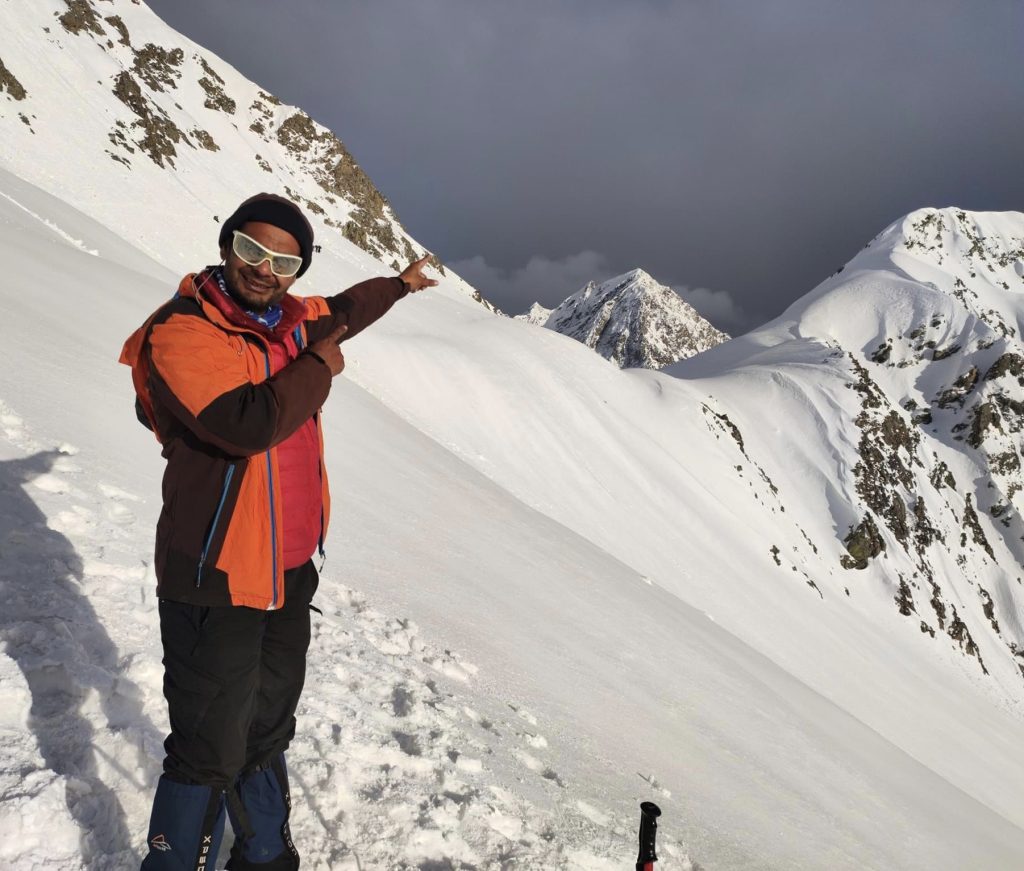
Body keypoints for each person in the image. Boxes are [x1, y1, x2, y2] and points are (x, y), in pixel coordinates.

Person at [120, 193, 437, 870]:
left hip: (288, 570)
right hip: (216, 574)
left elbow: (347, 309)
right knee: (208, 743)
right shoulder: (182, 331)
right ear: (226, 243)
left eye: (284, 259)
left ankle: (263, 854)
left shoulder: (295, 318)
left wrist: (401, 287)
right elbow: (248, 422)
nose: (265, 269)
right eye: (252, 250)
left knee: (264, 726)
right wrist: (320, 367)